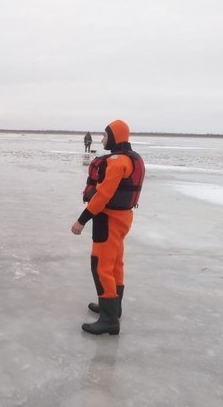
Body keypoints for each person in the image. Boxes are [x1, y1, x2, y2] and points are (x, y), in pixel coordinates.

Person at [71, 120, 145, 335]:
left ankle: (109, 319)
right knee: (115, 264)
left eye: (104, 136)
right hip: (123, 218)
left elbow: (102, 196)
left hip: (109, 219)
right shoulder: (132, 158)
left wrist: (81, 220)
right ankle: (113, 307)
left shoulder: (116, 162)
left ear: (115, 137)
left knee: (101, 265)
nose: (102, 139)